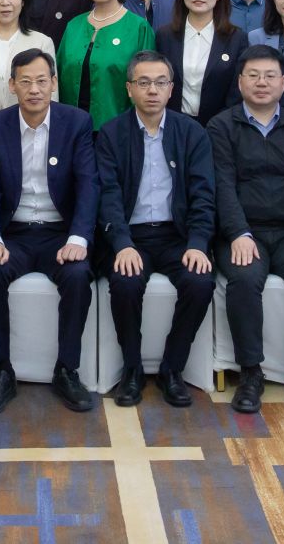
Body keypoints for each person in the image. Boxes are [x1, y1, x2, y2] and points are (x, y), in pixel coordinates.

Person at [0, 50, 100, 415]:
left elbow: (88, 184)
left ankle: (67, 370)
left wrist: (78, 238)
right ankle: (1, 371)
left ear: (54, 83)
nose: (34, 89)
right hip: (13, 232)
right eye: (25, 81)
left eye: (42, 81)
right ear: (12, 85)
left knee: (78, 275)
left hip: (60, 232)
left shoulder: (76, 123)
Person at [211, 45, 284, 414]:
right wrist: (238, 233)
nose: (261, 83)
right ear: (240, 82)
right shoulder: (221, 126)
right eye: (253, 76)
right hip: (244, 231)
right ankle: (250, 372)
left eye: (269, 76)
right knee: (244, 278)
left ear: (283, 82)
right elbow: (222, 186)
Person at [99, 52, 215, 407]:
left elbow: (204, 194)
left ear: (171, 89)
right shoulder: (111, 133)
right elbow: (108, 195)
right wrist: (121, 243)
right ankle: (132, 369)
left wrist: (198, 242)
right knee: (125, 282)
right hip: (131, 236)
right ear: (129, 89)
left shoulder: (191, 132)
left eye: (160, 83)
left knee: (200, 281)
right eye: (144, 83)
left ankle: (172, 369)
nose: (152, 90)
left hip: (177, 236)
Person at [58, 0, 158, 128]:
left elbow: (146, 84)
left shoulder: (139, 28)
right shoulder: (74, 26)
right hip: (70, 128)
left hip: (117, 130)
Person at [158, 0, 245, 125]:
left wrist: (218, 126)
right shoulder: (165, 36)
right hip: (172, 125)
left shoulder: (236, 38)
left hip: (219, 128)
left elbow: (237, 92)